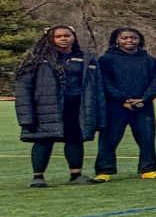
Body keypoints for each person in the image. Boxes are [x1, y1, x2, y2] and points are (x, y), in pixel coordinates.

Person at [15, 26, 103, 187]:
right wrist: (26, 116)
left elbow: (96, 87)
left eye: (67, 35)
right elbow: (23, 88)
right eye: (58, 36)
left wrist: (97, 114)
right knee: (43, 141)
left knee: (75, 140)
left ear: (74, 37)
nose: (64, 39)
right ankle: (38, 177)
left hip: (75, 107)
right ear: (51, 39)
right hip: (45, 108)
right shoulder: (36, 59)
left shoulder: (85, 58)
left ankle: (76, 175)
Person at [93, 27, 156, 181]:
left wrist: (144, 99)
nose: (129, 41)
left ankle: (148, 168)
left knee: (147, 138)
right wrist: (122, 98)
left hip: (143, 106)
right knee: (109, 139)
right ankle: (105, 171)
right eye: (125, 38)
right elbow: (105, 82)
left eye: (133, 38)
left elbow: (155, 81)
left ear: (139, 40)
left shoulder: (149, 60)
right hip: (115, 107)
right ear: (117, 40)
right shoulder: (106, 59)